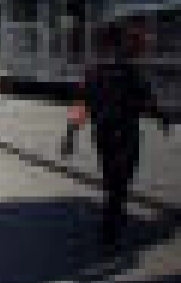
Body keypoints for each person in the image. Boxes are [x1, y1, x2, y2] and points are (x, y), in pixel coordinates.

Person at [66, 24, 168, 247]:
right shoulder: (129, 70)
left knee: (112, 179)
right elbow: (148, 99)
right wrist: (161, 117)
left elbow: (81, 104)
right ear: (118, 43)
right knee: (121, 182)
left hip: (103, 135)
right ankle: (112, 222)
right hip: (126, 134)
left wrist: (70, 135)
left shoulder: (92, 72)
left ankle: (112, 220)